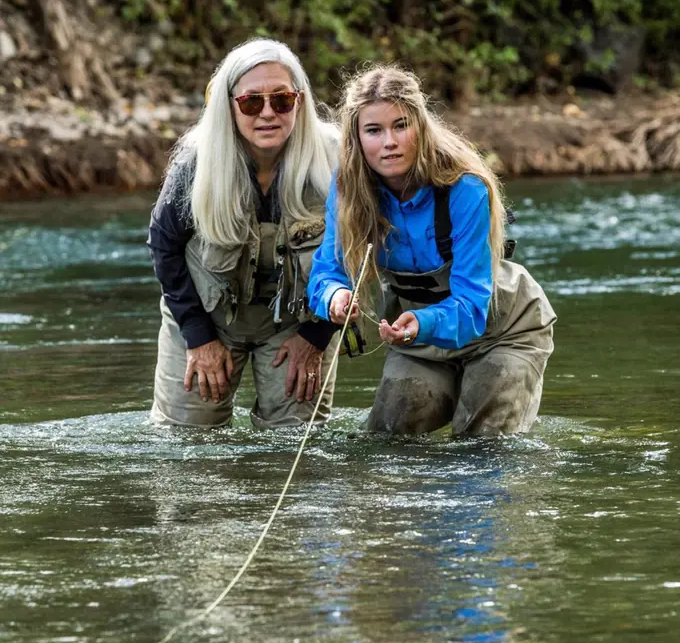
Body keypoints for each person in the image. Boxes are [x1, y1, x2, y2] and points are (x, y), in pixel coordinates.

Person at [307, 66, 556, 436]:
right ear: (357, 138)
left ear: (420, 127)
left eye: (401, 125)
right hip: (420, 340)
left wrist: (420, 323)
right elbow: (327, 270)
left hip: (502, 331)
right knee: (387, 440)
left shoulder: (465, 187)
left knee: (480, 449)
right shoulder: (348, 187)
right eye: (374, 130)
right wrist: (335, 297)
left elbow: (472, 306)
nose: (389, 141)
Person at [147, 38, 340, 429]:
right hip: (205, 314)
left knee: (293, 443)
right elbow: (163, 246)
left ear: (299, 102)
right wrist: (199, 338)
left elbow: (357, 252)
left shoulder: (336, 159)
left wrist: (316, 337)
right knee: (187, 445)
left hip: (297, 322)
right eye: (252, 102)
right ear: (229, 105)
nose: (268, 113)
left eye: (282, 100)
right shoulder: (196, 162)